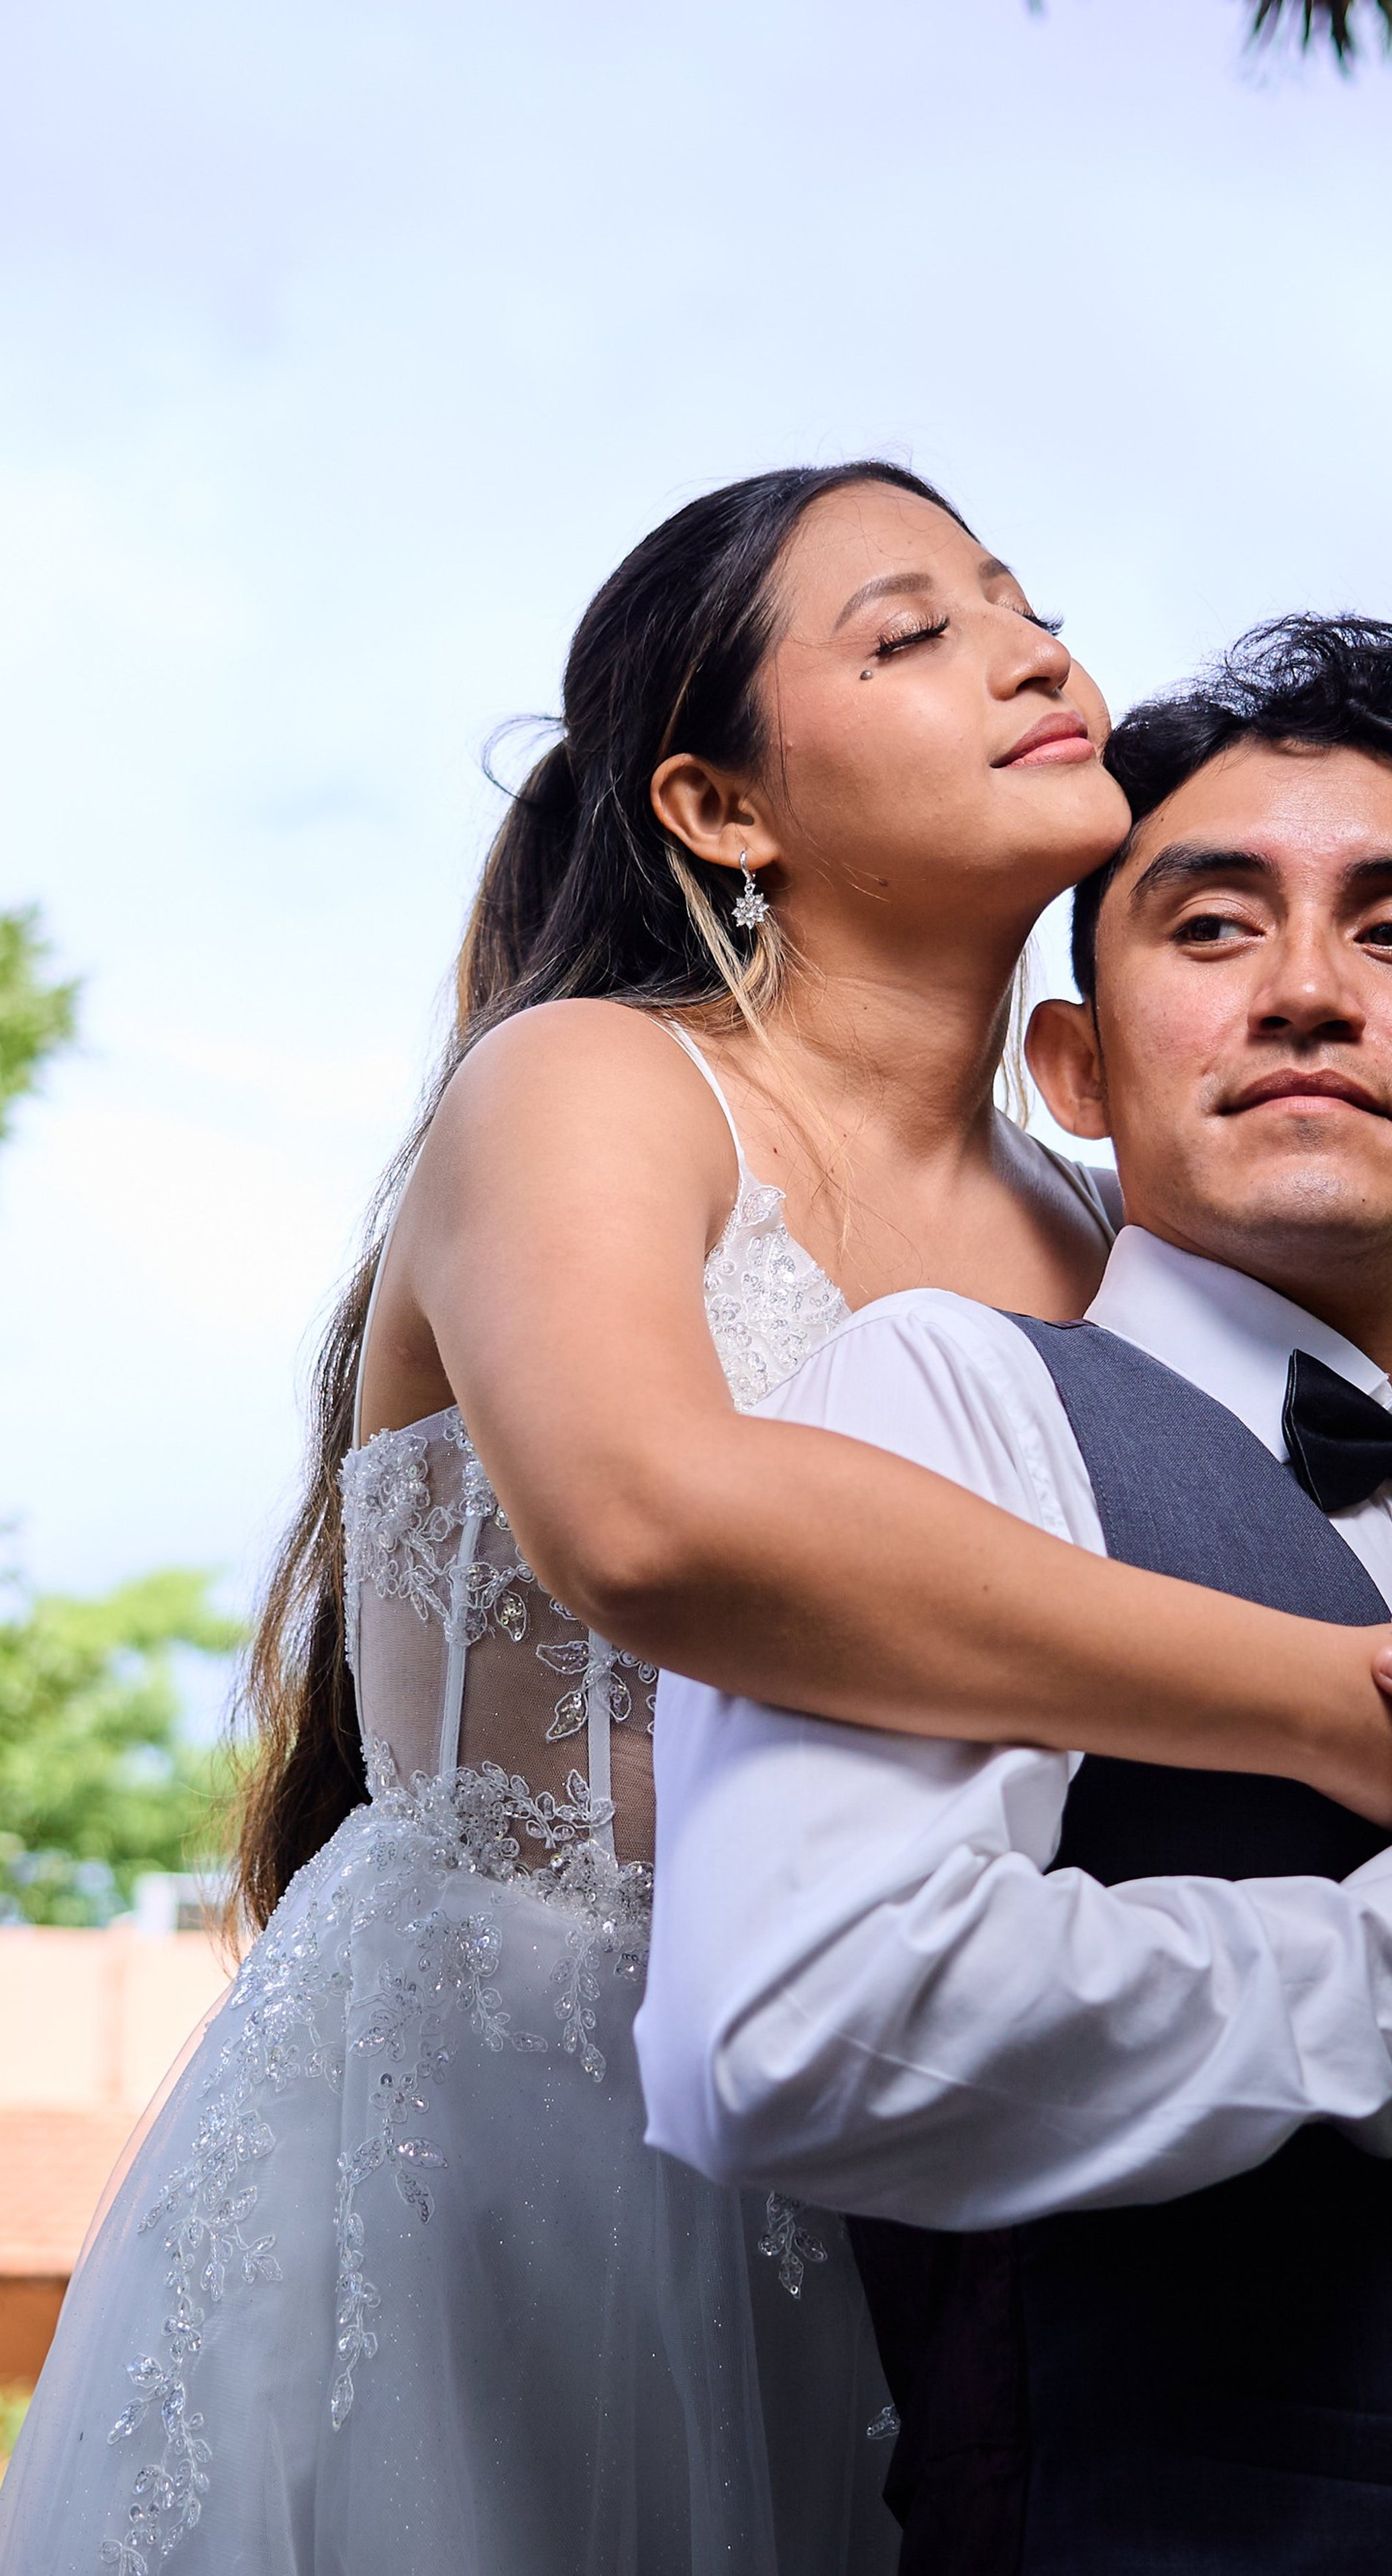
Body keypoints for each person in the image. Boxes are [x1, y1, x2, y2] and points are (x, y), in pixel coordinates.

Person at [0, 475, 1392, 2576]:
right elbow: (648, 1517)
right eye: (913, 634)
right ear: (723, 807)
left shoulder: (1106, 1238)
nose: (1029, 654)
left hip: (919, 2204)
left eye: (1026, 605)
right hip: (512, 2136)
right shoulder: (593, 1087)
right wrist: (1334, 1706)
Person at [637, 614, 1392, 2573]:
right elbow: (797, 2029)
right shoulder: (945, 1396)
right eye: (1214, 928)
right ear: (1072, 1065)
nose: (1313, 993)